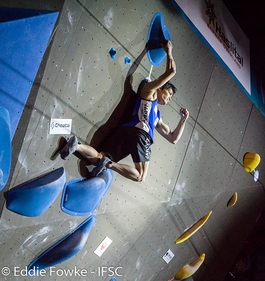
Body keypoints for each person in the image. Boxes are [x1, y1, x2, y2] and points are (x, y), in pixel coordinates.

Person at [60, 41, 189, 182]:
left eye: (171, 97)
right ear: (160, 87)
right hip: (140, 135)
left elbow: (173, 138)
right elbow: (172, 72)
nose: (169, 98)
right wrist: (168, 51)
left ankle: (75, 146)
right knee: (140, 176)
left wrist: (183, 120)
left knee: (100, 156)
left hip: (126, 133)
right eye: (169, 93)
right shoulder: (149, 91)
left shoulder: (157, 115)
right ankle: (108, 164)